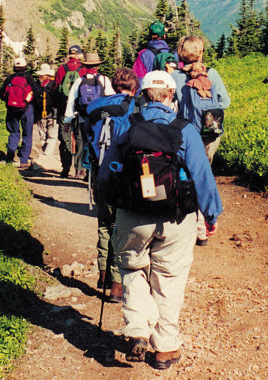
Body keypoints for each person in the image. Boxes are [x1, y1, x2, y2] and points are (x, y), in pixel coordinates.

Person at [97, 71, 222, 370]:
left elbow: (106, 173)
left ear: (142, 96)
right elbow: (202, 175)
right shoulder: (185, 129)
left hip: (132, 214)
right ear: (170, 95)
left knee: (131, 267)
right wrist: (211, 214)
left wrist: (109, 205)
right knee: (169, 278)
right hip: (175, 218)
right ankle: (165, 349)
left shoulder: (128, 126)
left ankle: (138, 327)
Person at [85, 67, 140, 302]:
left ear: (114, 85)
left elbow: (88, 138)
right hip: (123, 174)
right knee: (121, 226)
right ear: (134, 87)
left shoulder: (94, 107)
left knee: (104, 223)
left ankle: (102, 273)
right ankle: (117, 284)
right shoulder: (136, 108)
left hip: (99, 172)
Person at [170, 35, 231, 246]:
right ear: (201, 53)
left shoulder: (176, 77)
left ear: (180, 54)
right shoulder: (212, 73)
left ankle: (192, 224)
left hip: (187, 135)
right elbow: (226, 101)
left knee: (188, 176)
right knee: (205, 175)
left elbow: (172, 103)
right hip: (211, 135)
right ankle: (204, 226)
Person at [63, 51, 114, 180]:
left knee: (83, 143)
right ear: (97, 66)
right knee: (98, 143)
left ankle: (82, 170)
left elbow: (72, 101)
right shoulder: (104, 79)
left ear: (85, 66)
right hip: (100, 119)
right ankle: (96, 171)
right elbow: (111, 99)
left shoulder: (79, 81)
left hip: (83, 117)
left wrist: (67, 121)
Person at [54, 45, 85, 178]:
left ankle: (65, 168)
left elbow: (56, 88)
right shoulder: (83, 69)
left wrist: (57, 106)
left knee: (65, 138)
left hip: (63, 109)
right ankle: (79, 169)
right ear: (80, 55)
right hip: (78, 109)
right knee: (80, 138)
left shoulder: (62, 68)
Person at [0, 57, 35, 168]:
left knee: (13, 132)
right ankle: (23, 161)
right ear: (25, 67)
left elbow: (2, 94)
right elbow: (36, 92)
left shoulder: (9, 78)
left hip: (11, 109)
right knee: (27, 134)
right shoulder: (29, 78)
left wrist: (10, 102)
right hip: (26, 108)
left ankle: (10, 157)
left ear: (14, 67)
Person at [30, 62, 58, 170]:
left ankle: (45, 157)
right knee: (52, 137)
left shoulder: (37, 85)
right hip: (52, 114)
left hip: (40, 115)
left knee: (42, 137)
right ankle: (47, 156)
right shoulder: (53, 84)